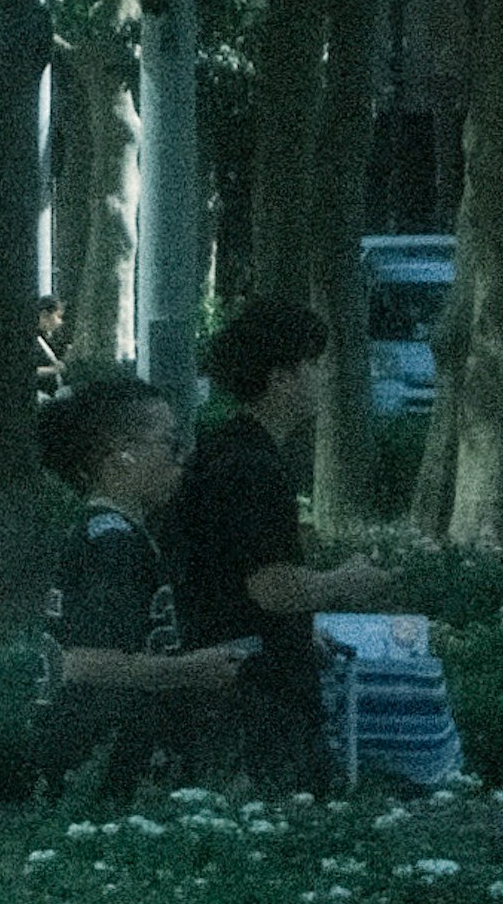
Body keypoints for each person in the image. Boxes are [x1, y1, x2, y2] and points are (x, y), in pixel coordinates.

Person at [33, 375, 254, 795]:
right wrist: (193, 670)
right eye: (170, 443)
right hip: (97, 768)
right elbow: (85, 664)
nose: (181, 458)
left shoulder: (104, 532)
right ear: (122, 453)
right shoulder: (114, 544)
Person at [165, 299, 343, 792]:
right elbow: (272, 587)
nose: (325, 376)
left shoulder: (224, 449)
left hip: (231, 674)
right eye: (315, 364)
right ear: (281, 378)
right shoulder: (253, 467)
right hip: (255, 691)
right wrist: (346, 581)